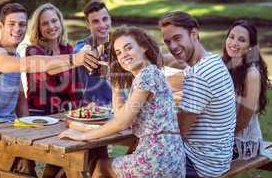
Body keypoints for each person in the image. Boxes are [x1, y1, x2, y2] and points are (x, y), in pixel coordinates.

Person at [0, 3, 98, 176]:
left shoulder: (15, 55)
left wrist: (29, 126)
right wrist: (75, 58)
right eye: (12, 24)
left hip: (9, 129)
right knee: (23, 158)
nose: (17, 29)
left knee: (69, 148)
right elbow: (32, 64)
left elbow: (20, 98)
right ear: (1, 26)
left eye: (22, 24)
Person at [59, 26, 186, 178]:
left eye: (128, 48)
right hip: (169, 156)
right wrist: (115, 84)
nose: (123, 55)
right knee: (101, 163)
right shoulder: (147, 75)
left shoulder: (148, 75)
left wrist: (81, 136)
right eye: (118, 52)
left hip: (157, 158)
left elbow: (122, 123)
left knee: (101, 167)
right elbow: (120, 115)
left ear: (143, 47)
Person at [159, 11, 236, 177]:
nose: (172, 46)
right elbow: (173, 61)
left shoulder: (199, 74)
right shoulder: (213, 60)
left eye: (177, 38)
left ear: (194, 34)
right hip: (219, 158)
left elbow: (178, 129)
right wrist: (149, 56)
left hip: (199, 164)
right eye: (167, 42)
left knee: (135, 164)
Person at [222, 20, 270, 160]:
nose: (234, 43)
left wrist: (220, 140)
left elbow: (243, 121)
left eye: (241, 40)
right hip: (224, 136)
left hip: (242, 141)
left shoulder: (251, 74)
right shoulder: (223, 64)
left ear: (250, 47)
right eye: (231, 37)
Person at [26, 3, 83, 115]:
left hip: (63, 113)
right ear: (38, 28)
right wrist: (77, 59)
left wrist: (81, 112)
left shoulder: (68, 49)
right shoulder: (32, 51)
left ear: (60, 23)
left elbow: (75, 87)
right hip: (38, 114)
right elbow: (49, 70)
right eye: (45, 23)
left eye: (54, 21)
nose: (51, 26)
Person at [73, 0, 112, 106]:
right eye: (96, 21)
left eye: (105, 19)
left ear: (110, 19)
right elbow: (83, 53)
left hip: (122, 108)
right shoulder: (81, 47)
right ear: (87, 24)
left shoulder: (120, 44)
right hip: (93, 111)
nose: (102, 25)